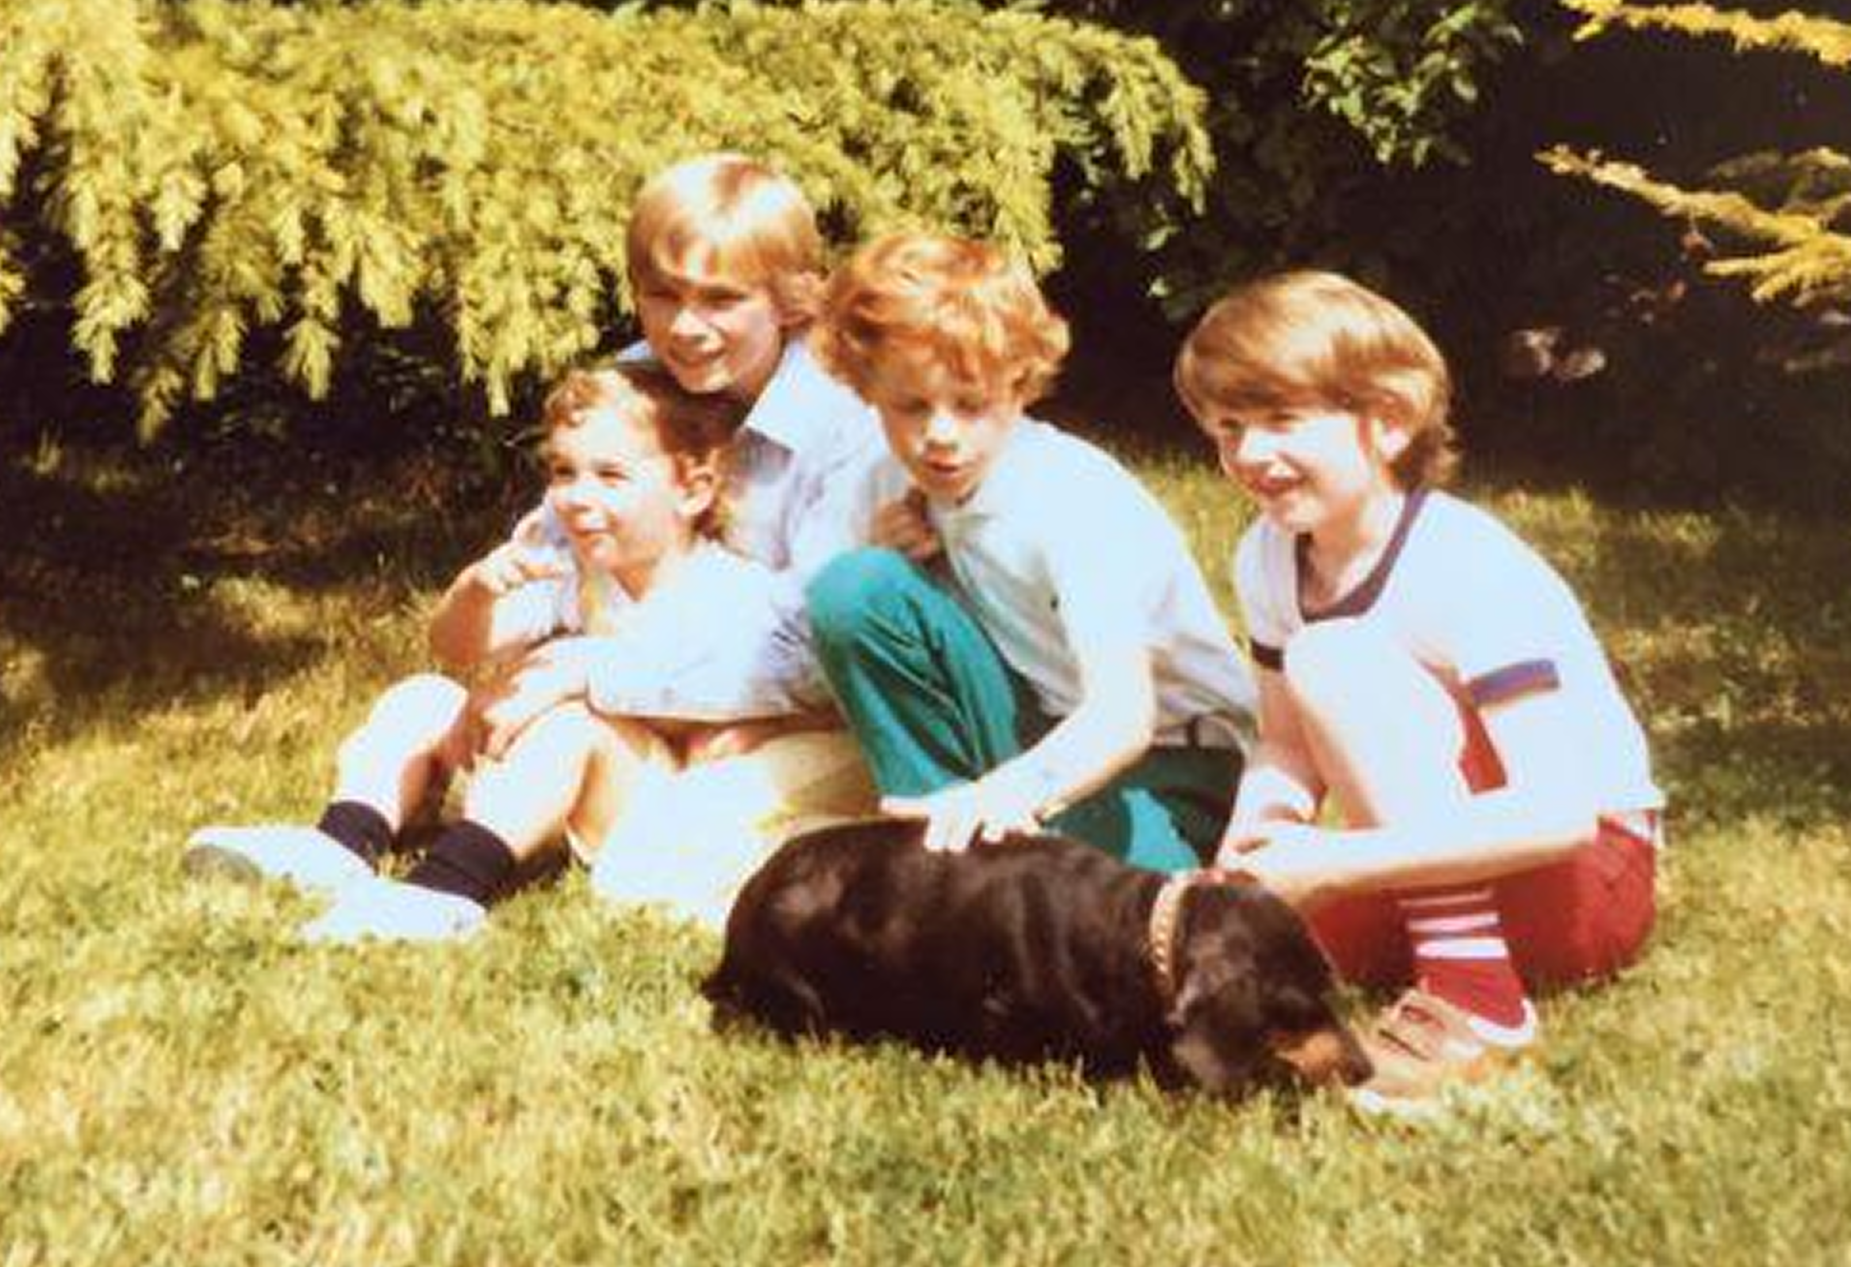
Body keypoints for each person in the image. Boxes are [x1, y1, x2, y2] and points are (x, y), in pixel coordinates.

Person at [1174, 269, 1664, 1112]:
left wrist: (1338, 861)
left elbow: (1558, 812)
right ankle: (1442, 947)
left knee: (1332, 657)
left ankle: (1478, 1003)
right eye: (1228, 428)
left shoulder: (1464, 564)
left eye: (1282, 420)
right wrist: (1258, 846)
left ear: (1389, 422)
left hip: (1584, 878)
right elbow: (1287, 746)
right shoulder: (1265, 553)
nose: (1250, 454)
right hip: (1436, 864)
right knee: (1236, 954)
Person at [184, 364, 853, 940]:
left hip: (643, 798)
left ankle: (447, 888)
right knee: (420, 698)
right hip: (538, 771)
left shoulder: (729, 590)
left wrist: (574, 685)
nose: (577, 498)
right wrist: (475, 593)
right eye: (563, 472)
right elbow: (453, 648)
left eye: (611, 476)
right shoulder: (578, 575)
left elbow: (770, 700)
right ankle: (342, 841)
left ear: (693, 489)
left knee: (574, 721)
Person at [804, 232, 1258, 872]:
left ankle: (983, 857)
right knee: (856, 587)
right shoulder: (885, 480)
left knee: (1091, 903)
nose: (939, 434)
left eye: (970, 405)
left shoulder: (1071, 497)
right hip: (1032, 729)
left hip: (1168, 766)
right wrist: (893, 561)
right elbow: (833, 633)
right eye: (910, 406)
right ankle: (939, 845)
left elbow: (1124, 714)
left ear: (1019, 386)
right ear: (866, 388)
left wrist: (1010, 791)